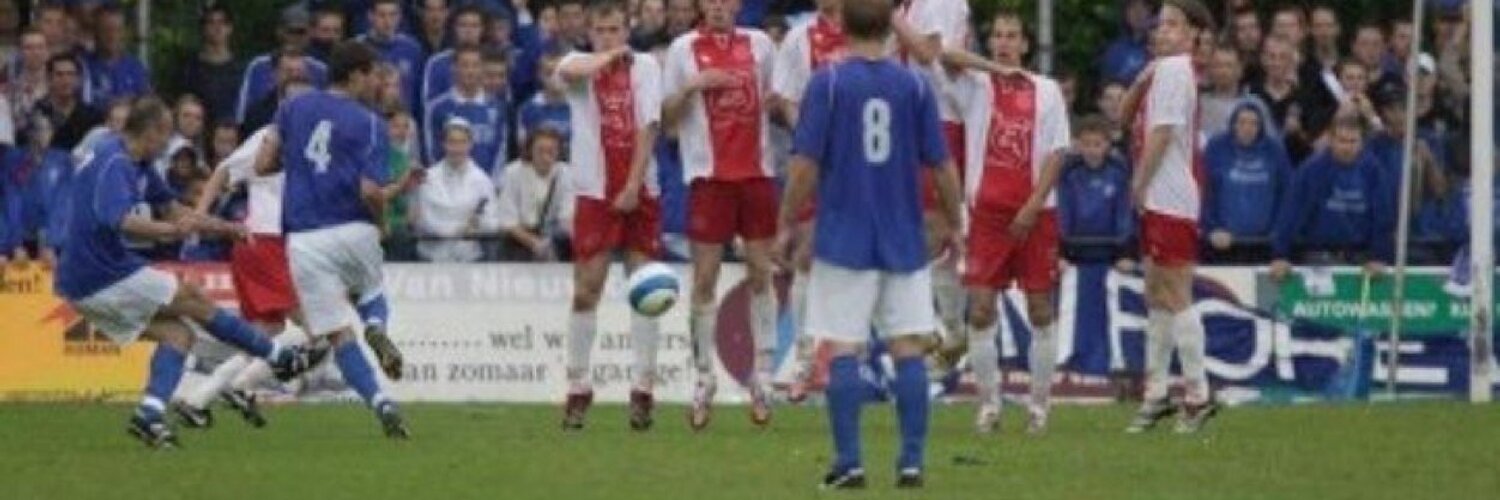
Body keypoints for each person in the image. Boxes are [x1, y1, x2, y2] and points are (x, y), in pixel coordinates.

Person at [56, 97, 321, 448]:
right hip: (100, 273)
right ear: (151, 132)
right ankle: (279, 357)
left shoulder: (136, 162)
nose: (168, 144)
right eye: (166, 134)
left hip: (84, 280)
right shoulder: (116, 162)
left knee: (178, 336)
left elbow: (173, 209)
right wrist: (168, 232)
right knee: (193, 297)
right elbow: (121, 221)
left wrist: (225, 228)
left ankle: (149, 416)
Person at [777, 0, 963, 487]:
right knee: (908, 348)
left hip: (844, 233)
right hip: (903, 233)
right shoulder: (914, 85)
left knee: (843, 348)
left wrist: (786, 221)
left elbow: (804, 164)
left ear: (840, 23)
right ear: (891, 27)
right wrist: (957, 219)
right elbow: (941, 164)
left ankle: (849, 462)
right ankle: (911, 462)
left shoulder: (828, 83)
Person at [253, 41, 410, 438]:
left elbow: (263, 163)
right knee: (371, 292)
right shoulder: (370, 123)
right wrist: (383, 222)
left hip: (305, 239)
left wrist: (298, 163)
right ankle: (375, 325)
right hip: (353, 227)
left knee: (337, 335)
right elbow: (370, 190)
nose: (378, 82)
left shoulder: (293, 107)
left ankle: (381, 402)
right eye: (373, 74)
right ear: (355, 75)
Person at [946, 9, 1071, 435]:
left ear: (1025, 44)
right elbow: (944, 54)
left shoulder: (1047, 90)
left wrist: (1033, 205)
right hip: (987, 217)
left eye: (1012, 36)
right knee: (981, 309)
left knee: (1040, 308)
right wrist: (993, 67)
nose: (1004, 42)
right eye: (997, 35)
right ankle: (989, 405)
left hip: (1036, 215)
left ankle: (1039, 406)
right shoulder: (977, 84)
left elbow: (1058, 151)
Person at [661, 0, 780, 430]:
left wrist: (778, 103)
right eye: (709, 1)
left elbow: (775, 99)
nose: (716, 7)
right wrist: (693, 86)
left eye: (724, 1)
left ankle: (763, 375)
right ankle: (703, 377)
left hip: (756, 174)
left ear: (736, 5)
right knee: (705, 278)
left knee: (761, 271)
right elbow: (666, 118)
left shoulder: (761, 44)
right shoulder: (683, 49)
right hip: (709, 177)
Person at [554, 1, 665, 431]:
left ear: (627, 29)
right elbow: (569, 71)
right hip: (594, 192)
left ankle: (643, 389)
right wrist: (610, 55)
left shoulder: (646, 68)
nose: (608, 36)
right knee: (586, 290)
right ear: (589, 32)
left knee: (645, 290)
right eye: (600, 30)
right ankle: (578, 386)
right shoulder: (578, 64)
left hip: (641, 189)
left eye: (615, 29)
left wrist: (634, 184)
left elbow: (647, 127)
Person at [1124, 0, 1219, 434]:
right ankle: (1156, 392)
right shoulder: (1162, 70)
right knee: (1156, 293)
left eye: (1173, 25)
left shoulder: (1177, 70)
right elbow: (1124, 117)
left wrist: (1140, 182)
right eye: (1160, 24)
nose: (1162, 31)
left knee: (1175, 293)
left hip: (1170, 194)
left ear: (1192, 35)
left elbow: (1161, 134)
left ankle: (1198, 394)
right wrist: (1141, 78)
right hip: (1162, 196)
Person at [769, 0, 846, 402]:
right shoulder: (800, 37)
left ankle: (867, 358)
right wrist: (810, 132)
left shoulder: (871, 31)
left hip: (865, 164)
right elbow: (784, 97)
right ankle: (804, 357)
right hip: (818, 164)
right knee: (806, 257)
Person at [1271, 116, 1394, 282]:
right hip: (1318, 255)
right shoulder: (1311, 170)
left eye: (1353, 141)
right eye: (1342, 141)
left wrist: (1379, 257)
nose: (1347, 147)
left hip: (1361, 257)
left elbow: (1383, 217)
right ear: (1331, 140)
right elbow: (1291, 212)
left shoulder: (1374, 171)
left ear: (1362, 143)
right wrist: (1280, 255)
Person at [1201, 98, 1292, 262]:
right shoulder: (1216, 148)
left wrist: (1279, 230)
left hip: (1264, 244)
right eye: (1242, 122)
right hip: (1222, 244)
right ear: (1233, 124)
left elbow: (1287, 193)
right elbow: (1204, 191)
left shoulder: (1275, 151)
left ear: (1261, 126)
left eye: (1254, 123)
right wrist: (1211, 228)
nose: (1247, 128)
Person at [413, 119, 501, 262]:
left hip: (469, 258)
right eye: (452, 142)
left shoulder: (483, 180)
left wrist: (477, 226)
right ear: (444, 144)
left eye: (462, 142)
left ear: (470, 144)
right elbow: (423, 221)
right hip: (430, 256)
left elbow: (492, 223)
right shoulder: (427, 177)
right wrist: (458, 229)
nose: (457, 148)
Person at [1058, 114, 1134, 269]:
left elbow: (1123, 214)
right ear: (1078, 145)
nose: (1091, 150)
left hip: (1112, 251)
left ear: (1107, 145)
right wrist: (1062, 253)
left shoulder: (1118, 174)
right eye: (1086, 144)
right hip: (1074, 250)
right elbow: (1064, 214)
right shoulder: (1069, 175)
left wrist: (1124, 253)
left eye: (1097, 144)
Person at [235, 6, 329, 124]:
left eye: (301, 32)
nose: (296, 38)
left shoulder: (320, 70)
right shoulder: (258, 66)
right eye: (291, 32)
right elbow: (241, 112)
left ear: (310, 34)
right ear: (279, 31)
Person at [423, 46, 508, 175]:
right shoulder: (437, 108)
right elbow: (432, 153)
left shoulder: (497, 107)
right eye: (465, 65)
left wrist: (489, 183)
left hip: (486, 183)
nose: (470, 71)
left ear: (482, 69)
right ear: (454, 69)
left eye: (475, 65)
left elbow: (500, 152)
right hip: (447, 182)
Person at [496, 128, 572, 261]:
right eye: (540, 151)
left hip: (553, 241)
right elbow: (508, 221)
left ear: (559, 151)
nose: (545, 157)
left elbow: (566, 216)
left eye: (551, 151)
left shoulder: (566, 173)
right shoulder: (512, 172)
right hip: (517, 244)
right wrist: (534, 243)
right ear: (530, 150)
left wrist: (552, 243)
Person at [357, 0, 426, 118]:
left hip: (403, 122)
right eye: (382, 15)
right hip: (367, 120)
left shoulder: (412, 49)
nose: (387, 21)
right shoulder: (357, 48)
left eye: (392, 15)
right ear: (370, 16)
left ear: (399, 17)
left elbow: (418, 94)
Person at [84, 5, 150, 107]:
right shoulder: (83, 66)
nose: (112, 36)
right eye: (106, 30)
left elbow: (147, 105)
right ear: (95, 32)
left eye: (118, 30)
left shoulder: (136, 68)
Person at [420, 6, 488, 104]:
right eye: (463, 25)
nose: (469, 30)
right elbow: (429, 103)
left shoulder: (491, 60)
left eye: (474, 26)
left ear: (482, 29)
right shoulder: (436, 63)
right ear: (454, 28)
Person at [36, 54, 102, 151]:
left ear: (78, 79)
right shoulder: (37, 112)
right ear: (49, 79)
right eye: (59, 74)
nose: (66, 80)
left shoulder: (93, 116)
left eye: (70, 74)